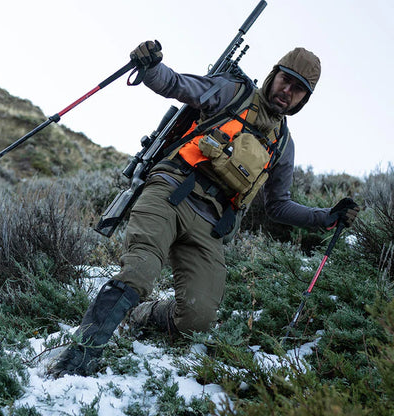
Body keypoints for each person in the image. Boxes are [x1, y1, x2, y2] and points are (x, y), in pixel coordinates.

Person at [48, 41, 359, 378]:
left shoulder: (283, 144)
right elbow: (178, 84)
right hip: (171, 192)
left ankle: (143, 316)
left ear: (304, 100)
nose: (288, 91)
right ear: (274, 75)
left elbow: (278, 206)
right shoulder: (233, 92)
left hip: (211, 225)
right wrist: (151, 66)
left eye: (299, 89)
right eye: (286, 79)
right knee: (139, 272)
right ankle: (80, 357)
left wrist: (325, 217)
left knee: (197, 320)